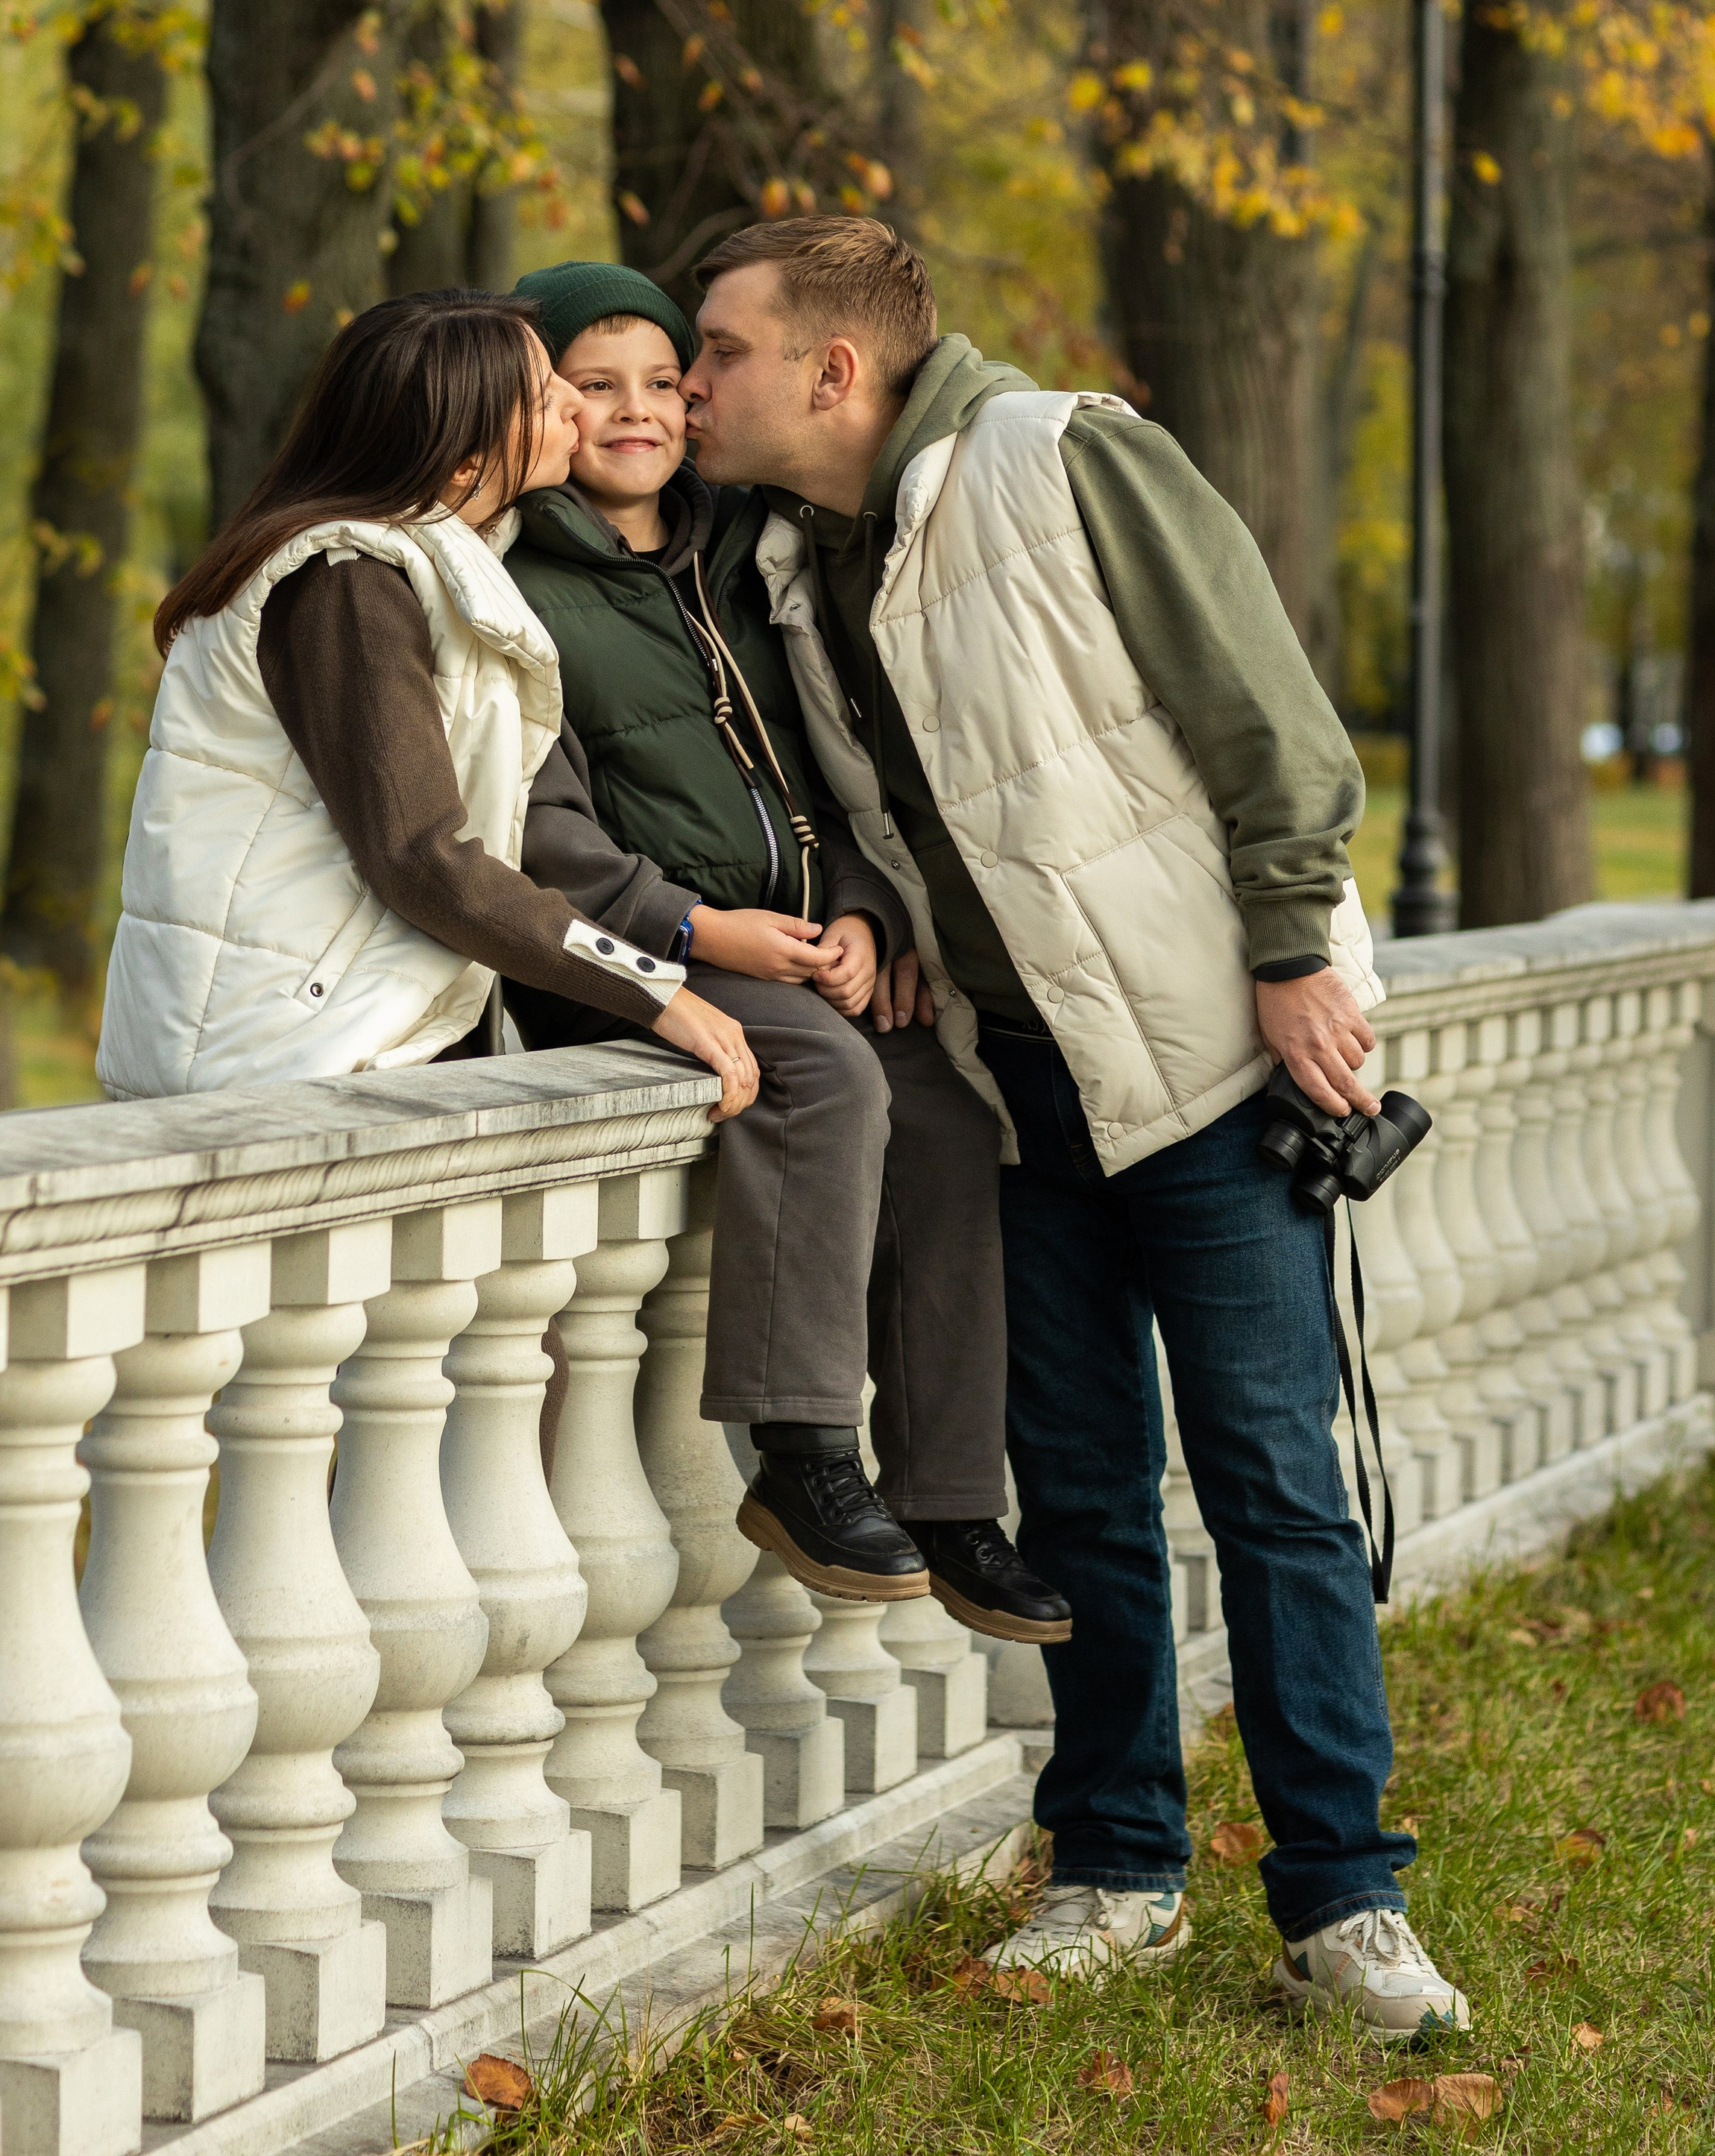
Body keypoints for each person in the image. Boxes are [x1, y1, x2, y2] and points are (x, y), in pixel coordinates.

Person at [676, 212, 1471, 2041]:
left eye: (718, 350)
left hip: (1207, 1062)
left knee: (1269, 1482)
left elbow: (1269, 722)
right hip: (1010, 1084)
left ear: (830, 369)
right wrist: (875, 913)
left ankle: (1341, 1901)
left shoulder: (1061, 456)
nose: (693, 383)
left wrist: (1293, 953)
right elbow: (881, 817)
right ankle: (1114, 1867)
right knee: (1083, 1493)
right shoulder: (789, 567)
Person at [500, 260, 1069, 1647]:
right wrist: (697, 929)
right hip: (637, 959)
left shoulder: (744, 555)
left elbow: (830, 766)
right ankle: (804, 1452)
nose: (639, 409)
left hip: (800, 941)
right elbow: (535, 832)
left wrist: (867, 909)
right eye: (594, 385)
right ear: (540, 406)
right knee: (823, 1075)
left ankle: (949, 1499)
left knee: (945, 1110)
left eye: (662, 378)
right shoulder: (516, 587)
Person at [97, 290, 756, 1109]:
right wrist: (654, 992)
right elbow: (420, 854)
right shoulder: (345, 582)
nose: (574, 409)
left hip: (353, 1036)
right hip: (288, 1054)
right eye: (543, 398)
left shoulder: (439, 567)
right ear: (463, 463)